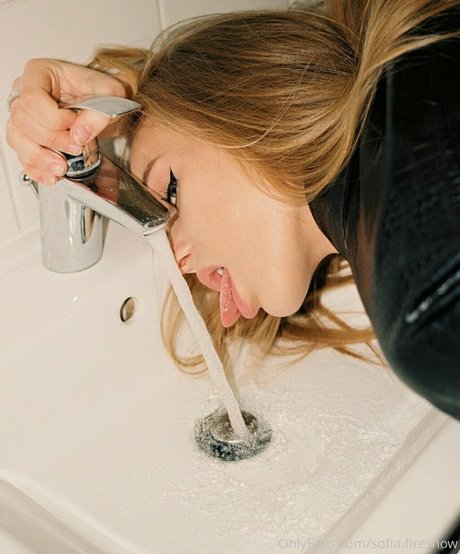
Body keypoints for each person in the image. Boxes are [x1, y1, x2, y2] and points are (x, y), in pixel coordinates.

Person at [6, 0, 460, 420]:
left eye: (171, 191)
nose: (177, 260)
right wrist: (119, 93)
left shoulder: (427, 301)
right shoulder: (419, 65)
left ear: (255, 98)